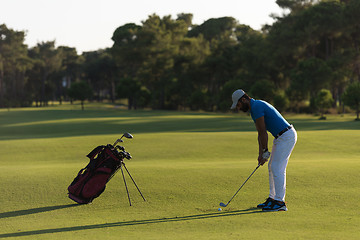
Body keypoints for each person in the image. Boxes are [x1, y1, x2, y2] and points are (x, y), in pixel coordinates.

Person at [230, 89, 297, 211]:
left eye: (238, 105)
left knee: (277, 167)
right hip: (280, 136)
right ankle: (272, 199)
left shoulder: (257, 107)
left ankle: (280, 202)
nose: (238, 108)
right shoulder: (255, 108)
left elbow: (263, 132)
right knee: (272, 166)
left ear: (244, 99)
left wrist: (265, 151)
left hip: (286, 136)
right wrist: (261, 154)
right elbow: (260, 133)